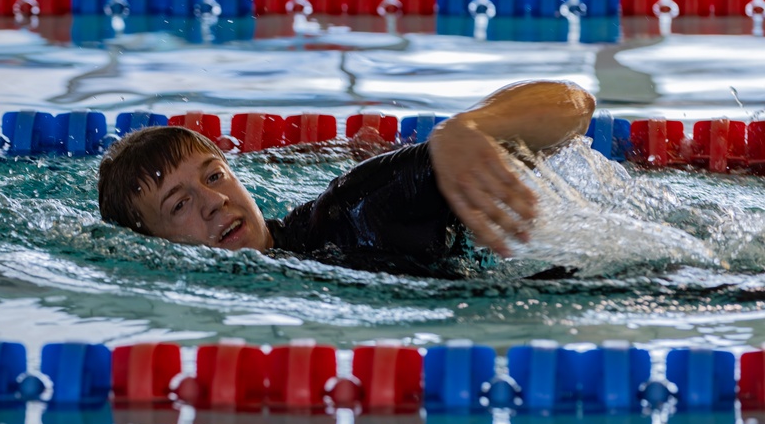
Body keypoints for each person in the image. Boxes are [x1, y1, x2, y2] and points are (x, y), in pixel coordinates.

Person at [98, 79, 596, 277]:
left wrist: (464, 131)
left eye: (214, 175)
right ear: (153, 246)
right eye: (178, 204)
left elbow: (574, 105)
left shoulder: (355, 211)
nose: (213, 202)